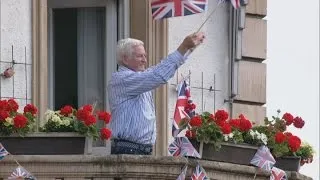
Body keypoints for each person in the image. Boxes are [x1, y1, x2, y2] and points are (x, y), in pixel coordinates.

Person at [108, 32, 205, 155]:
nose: (144, 60)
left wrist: (188, 48)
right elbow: (157, 75)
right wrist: (183, 46)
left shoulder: (139, 78)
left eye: (145, 55)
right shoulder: (121, 79)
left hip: (140, 150)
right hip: (127, 149)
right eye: (140, 56)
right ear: (125, 59)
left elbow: (158, 71)